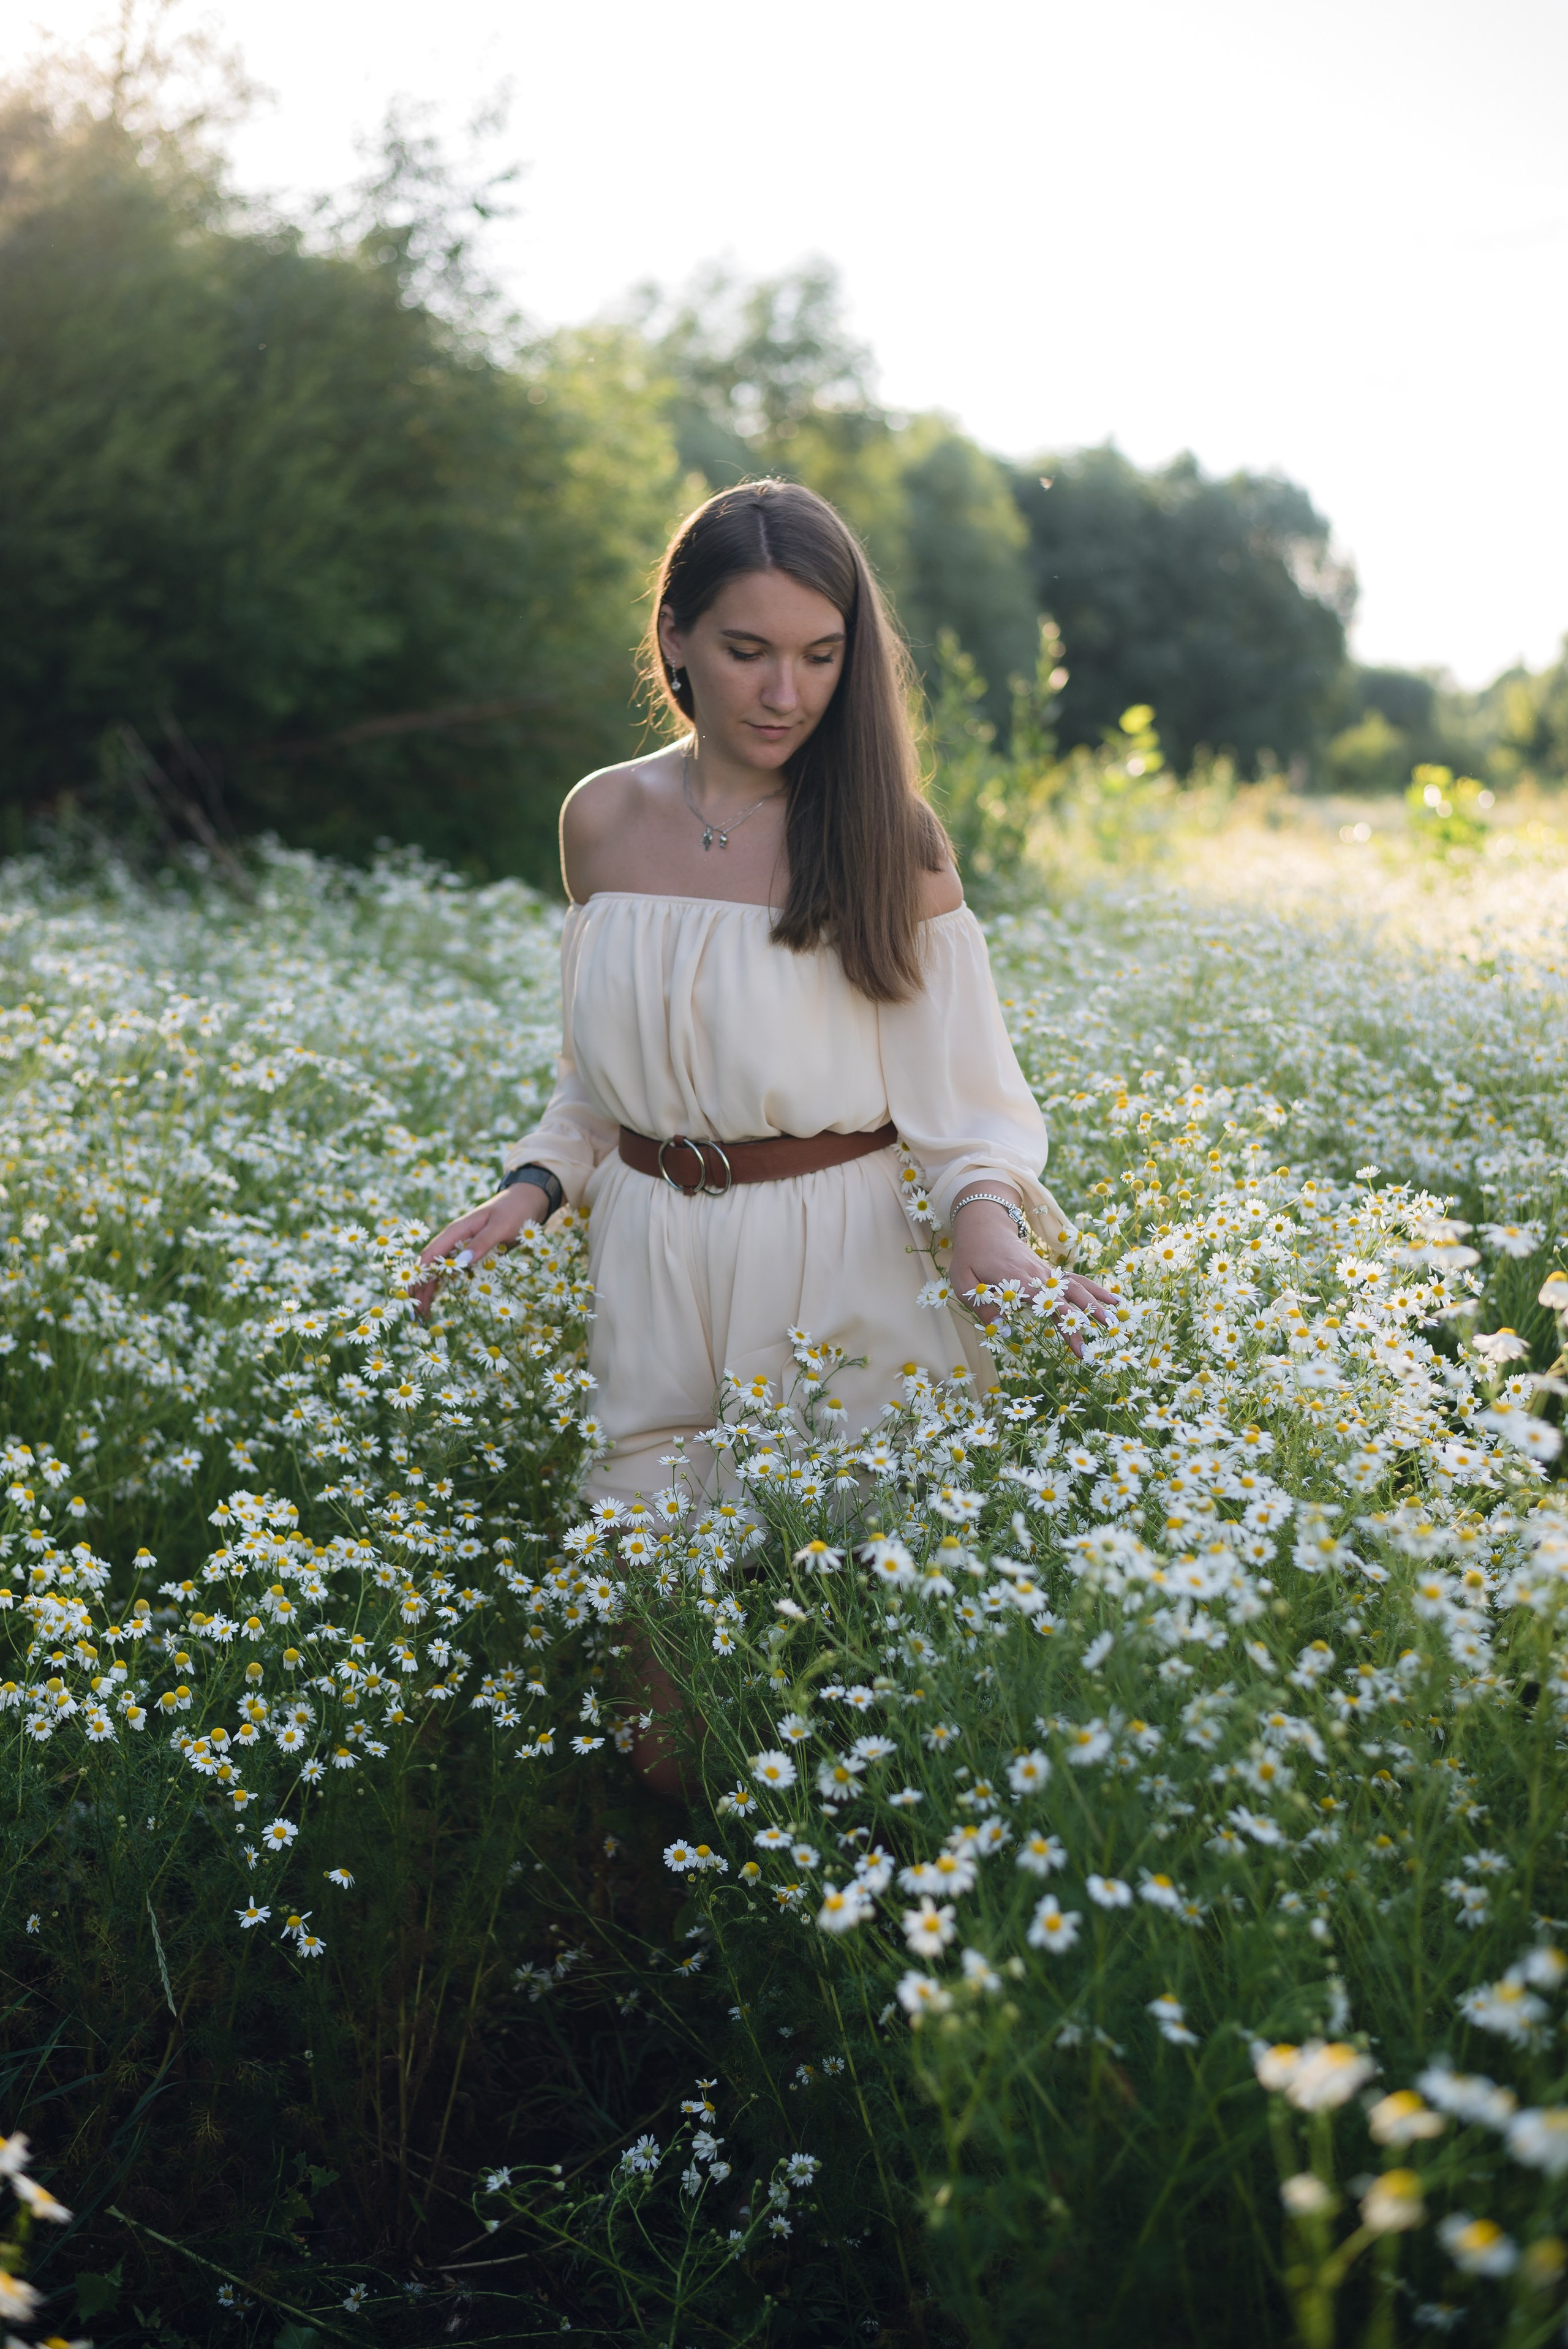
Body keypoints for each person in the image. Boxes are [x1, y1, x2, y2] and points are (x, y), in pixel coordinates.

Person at [418, 480, 1114, 1778]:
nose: (784, 692)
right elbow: (601, 1074)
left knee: (854, 1630)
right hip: (644, 1250)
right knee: (655, 1653)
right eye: (747, 651)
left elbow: (961, 1103)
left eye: (818, 654)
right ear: (674, 636)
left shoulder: (885, 837)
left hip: (840, 1254)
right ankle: (664, 1911)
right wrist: (528, 1188)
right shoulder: (603, 820)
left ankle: (845, 1930)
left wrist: (992, 1241)